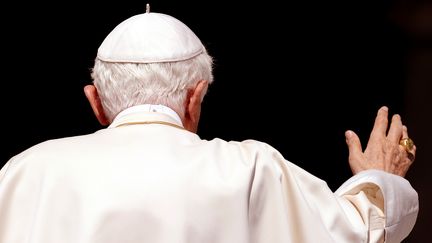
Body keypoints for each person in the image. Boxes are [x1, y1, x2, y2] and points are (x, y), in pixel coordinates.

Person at [0, 8, 418, 243]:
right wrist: (379, 178)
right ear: (196, 96)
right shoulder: (249, 169)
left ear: (95, 101)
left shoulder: (22, 173)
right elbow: (355, 233)